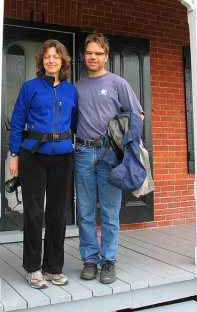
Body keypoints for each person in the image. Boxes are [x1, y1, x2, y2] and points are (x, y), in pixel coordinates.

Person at [74, 32, 144, 284]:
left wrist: (124, 144)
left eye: (98, 53)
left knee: (111, 212)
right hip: (82, 152)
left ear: (106, 56)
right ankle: (90, 259)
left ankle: (109, 261)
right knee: (84, 211)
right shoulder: (77, 88)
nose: (93, 57)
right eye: (89, 52)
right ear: (85, 56)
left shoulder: (118, 83)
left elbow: (138, 116)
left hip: (110, 155)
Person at [9, 39, 78, 289]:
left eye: (56, 57)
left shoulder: (71, 91)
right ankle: (33, 268)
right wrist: (14, 156)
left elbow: (77, 123)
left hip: (63, 157)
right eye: (47, 57)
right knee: (34, 213)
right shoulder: (30, 87)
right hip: (33, 157)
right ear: (42, 61)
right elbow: (17, 122)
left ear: (63, 61)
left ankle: (53, 268)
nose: (51, 60)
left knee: (58, 214)